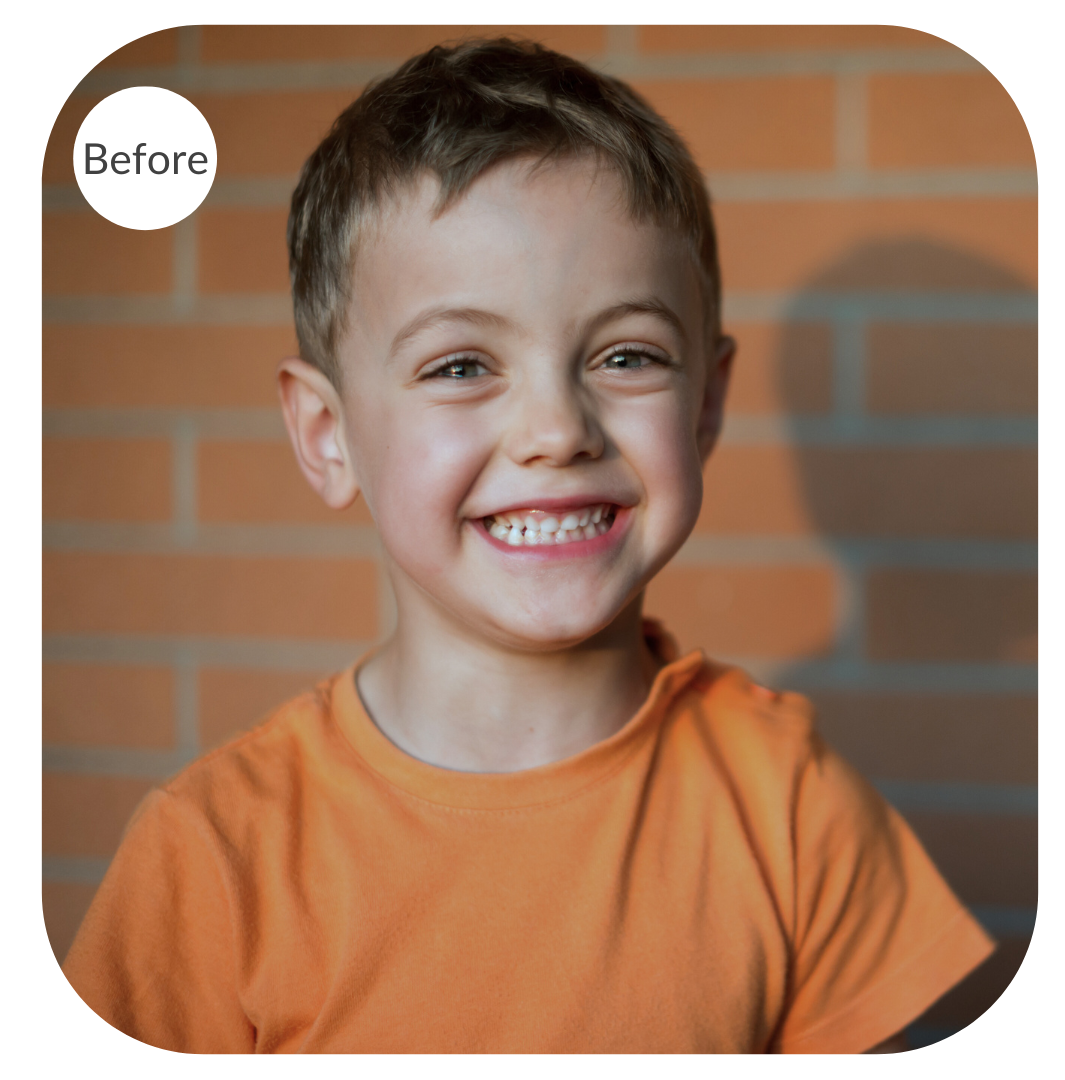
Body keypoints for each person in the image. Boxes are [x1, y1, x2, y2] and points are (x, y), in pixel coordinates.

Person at [61, 39, 994, 1054]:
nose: (557, 429)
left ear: (706, 406)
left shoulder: (794, 803)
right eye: (461, 365)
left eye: (628, 355)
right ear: (329, 438)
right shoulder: (211, 858)